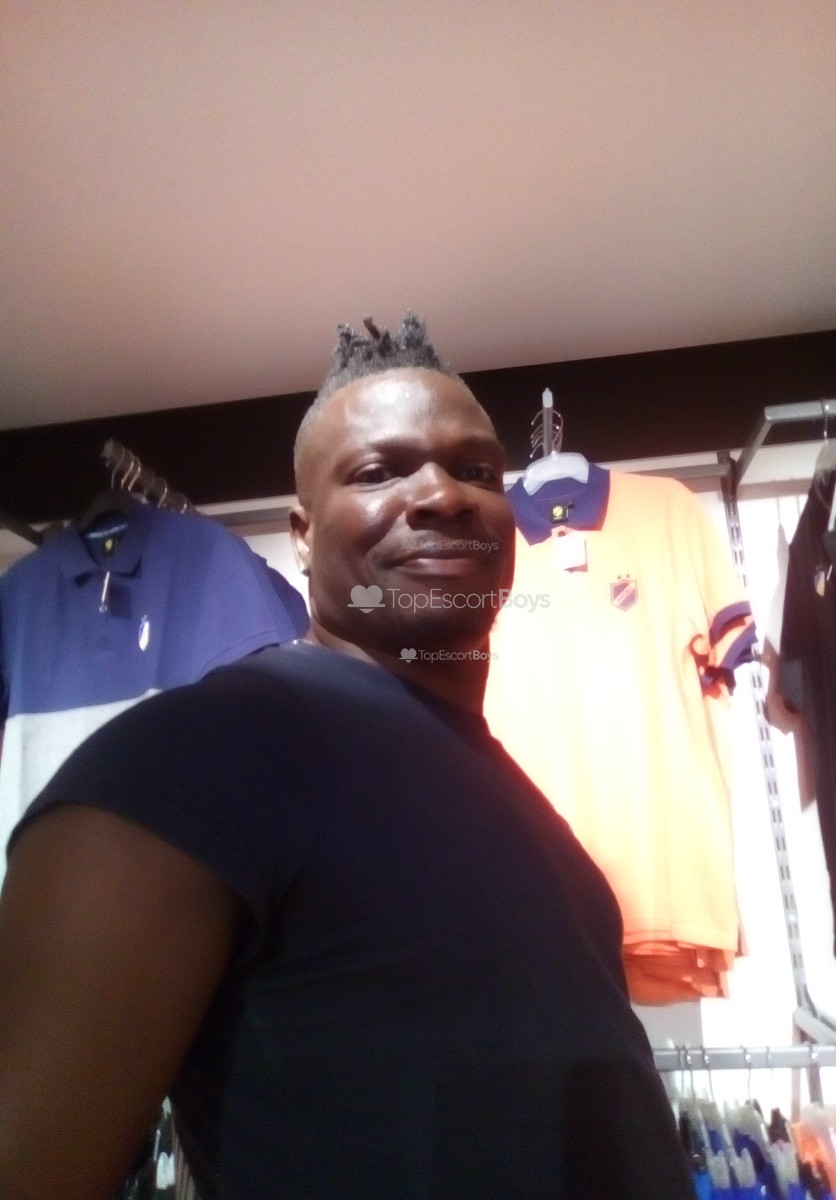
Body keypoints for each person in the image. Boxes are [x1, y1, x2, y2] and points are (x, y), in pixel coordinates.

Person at [0, 315, 695, 1200]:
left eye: (477, 470)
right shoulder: (193, 756)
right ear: (301, 534)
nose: (442, 494)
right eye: (378, 472)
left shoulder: (518, 801)